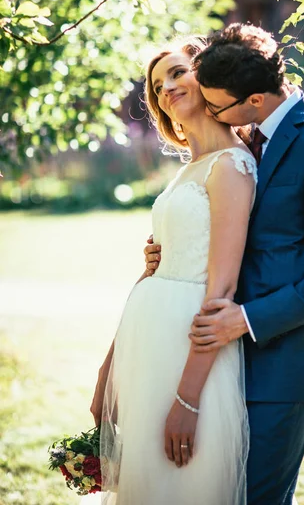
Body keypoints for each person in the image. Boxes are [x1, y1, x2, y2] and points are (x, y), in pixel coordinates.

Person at [145, 23, 304, 504]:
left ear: (251, 101)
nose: (207, 111)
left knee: (256, 497)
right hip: (224, 360)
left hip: (283, 364)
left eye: (214, 103)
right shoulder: (246, 138)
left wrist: (246, 319)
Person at [90, 35, 258, 505]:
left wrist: (187, 400)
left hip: (189, 352)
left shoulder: (231, 166)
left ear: (205, 76)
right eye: (158, 84)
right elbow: (155, 273)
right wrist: (109, 370)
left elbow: (221, 288)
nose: (166, 87)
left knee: (184, 485)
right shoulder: (189, 169)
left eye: (178, 72)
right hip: (148, 349)